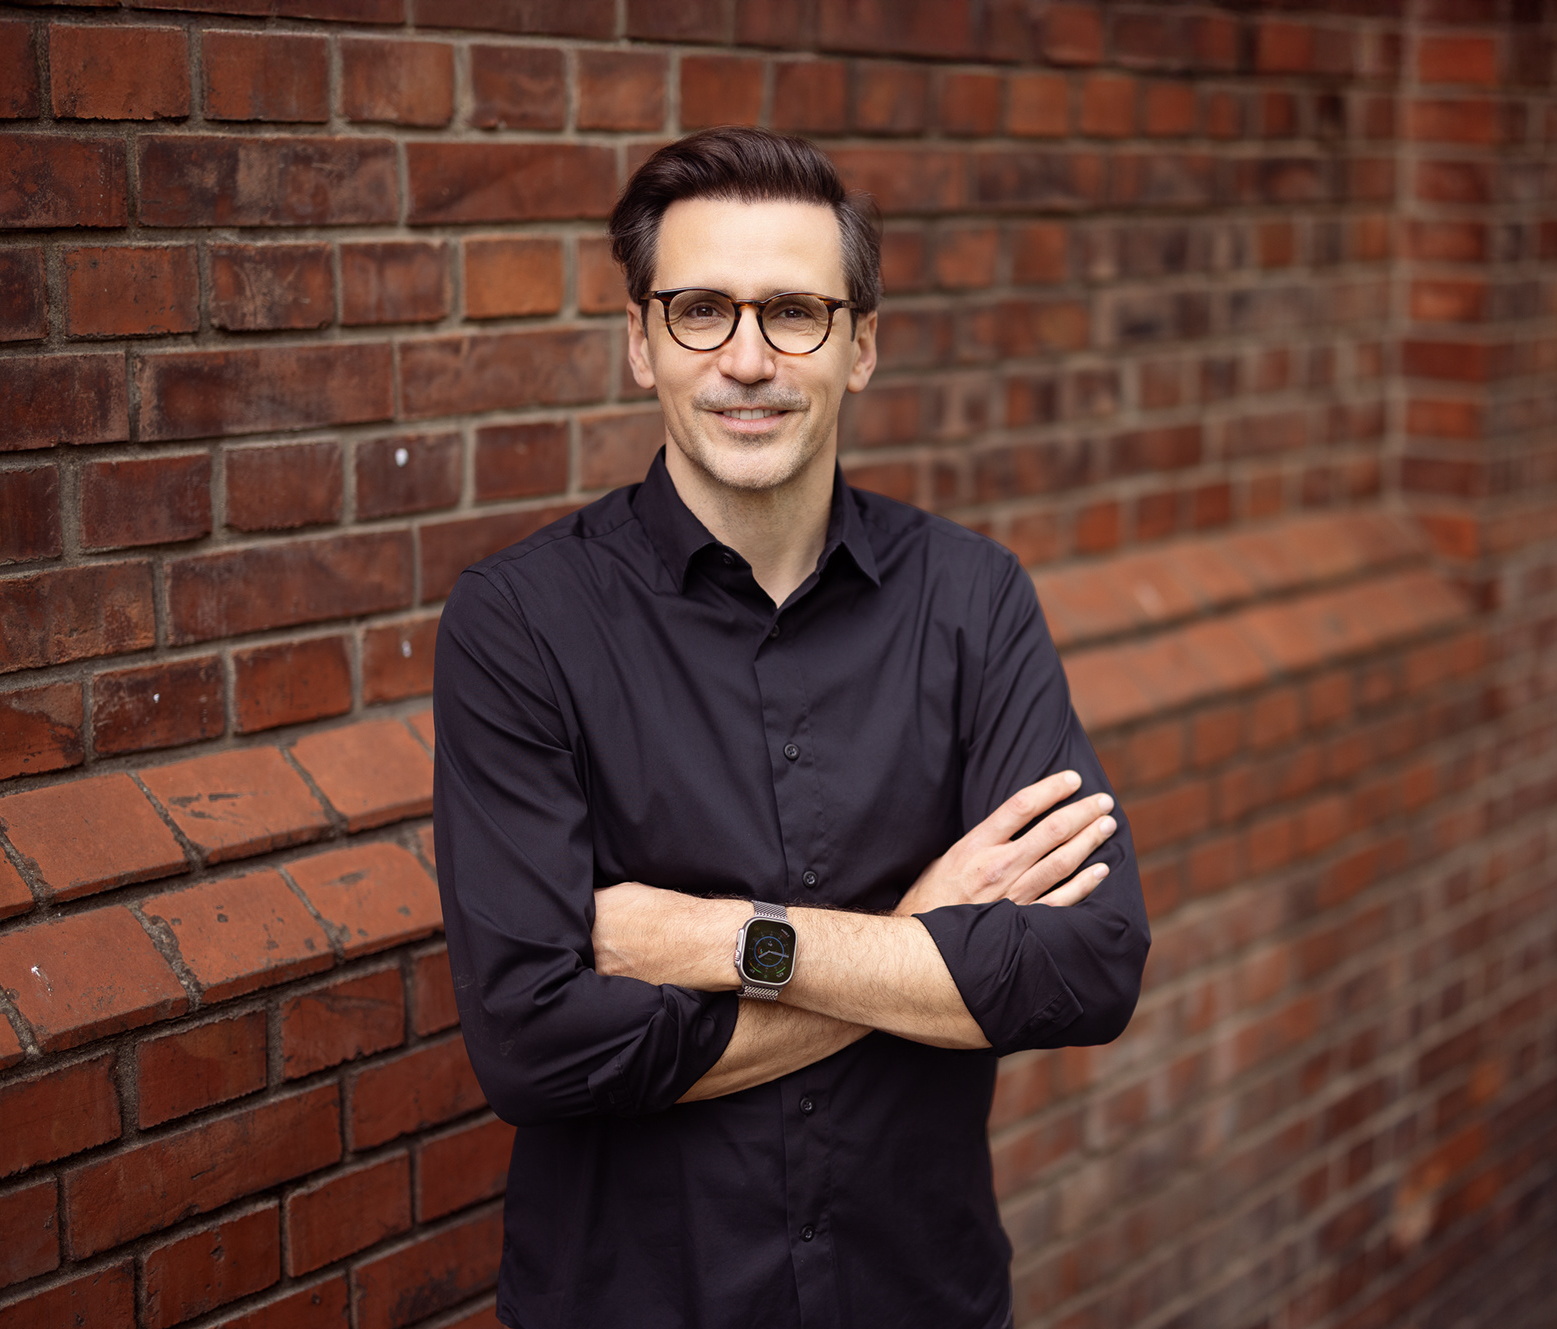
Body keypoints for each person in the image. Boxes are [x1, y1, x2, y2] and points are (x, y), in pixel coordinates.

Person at [433, 126, 1149, 1329]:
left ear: (861, 346)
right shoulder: (522, 625)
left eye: (795, 313)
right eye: (701, 310)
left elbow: (1090, 966)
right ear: (641, 341)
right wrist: (914, 944)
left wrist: (725, 939)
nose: (748, 359)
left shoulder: (970, 601)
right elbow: (534, 1048)